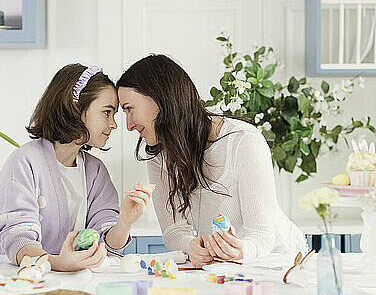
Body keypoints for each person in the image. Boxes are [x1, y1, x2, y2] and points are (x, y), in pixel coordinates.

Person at [117, 54, 306, 268]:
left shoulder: (244, 141)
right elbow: (174, 230)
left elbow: (262, 235)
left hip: (280, 262)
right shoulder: (159, 153)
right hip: (227, 267)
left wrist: (241, 250)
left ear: (158, 98)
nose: (129, 125)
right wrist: (191, 246)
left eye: (129, 109)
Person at [0, 64, 153, 271]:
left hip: (65, 281)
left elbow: (106, 246)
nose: (114, 124)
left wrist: (125, 222)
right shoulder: (25, 161)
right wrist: (59, 264)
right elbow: (18, 238)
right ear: (75, 108)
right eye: (106, 112)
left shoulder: (95, 171)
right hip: (14, 280)